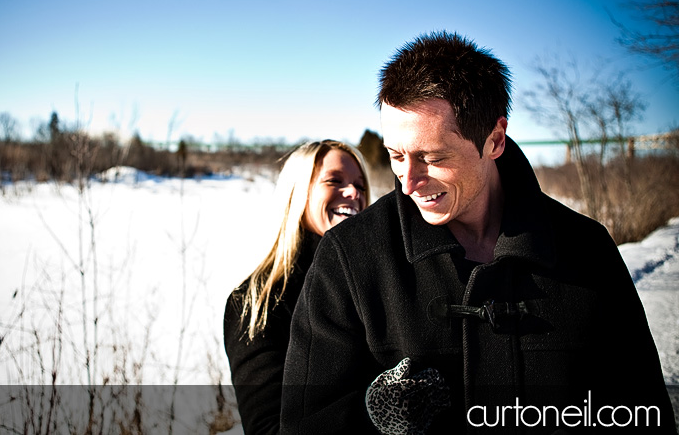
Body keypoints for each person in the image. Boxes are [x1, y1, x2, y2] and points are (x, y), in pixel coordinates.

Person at [281, 32, 676, 434]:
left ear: (494, 140)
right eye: (396, 155)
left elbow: (642, 411)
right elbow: (306, 422)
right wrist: (374, 416)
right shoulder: (350, 257)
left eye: (432, 158)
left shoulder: (585, 249)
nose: (409, 180)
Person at [224, 140, 371, 435]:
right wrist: (374, 414)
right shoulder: (257, 300)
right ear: (297, 194)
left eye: (360, 185)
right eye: (334, 181)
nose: (354, 192)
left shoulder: (374, 281)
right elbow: (269, 427)